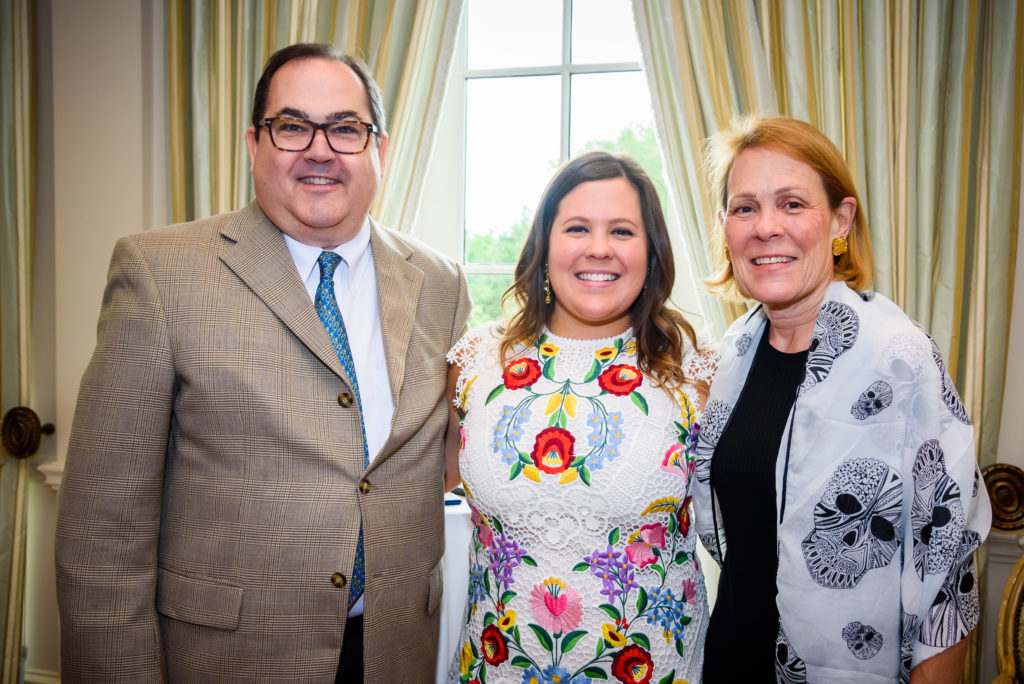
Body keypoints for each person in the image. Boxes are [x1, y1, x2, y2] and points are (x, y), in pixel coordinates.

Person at [55, 43, 470, 683]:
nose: (320, 148)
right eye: (293, 125)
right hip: (227, 659)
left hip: (393, 653)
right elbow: (101, 538)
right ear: (254, 146)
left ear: (379, 152)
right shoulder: (160, 272)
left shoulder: (442, 284)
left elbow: (445, 455)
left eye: (346, 128)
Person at [693, 115, 991, 683]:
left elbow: (946, 567)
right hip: (730, 660)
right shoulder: (732, 356)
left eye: (792, 203)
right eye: (744, 207)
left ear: (841, 221)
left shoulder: (899, 359)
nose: (766, 228)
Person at [443, 150, 718, 683]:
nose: (599, 249)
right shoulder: (477, 362)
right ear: (544, 246)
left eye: (621, 231)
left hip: (656, 669)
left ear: (652, 251)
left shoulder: (697, 368)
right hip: (495, 667)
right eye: (576, 228)